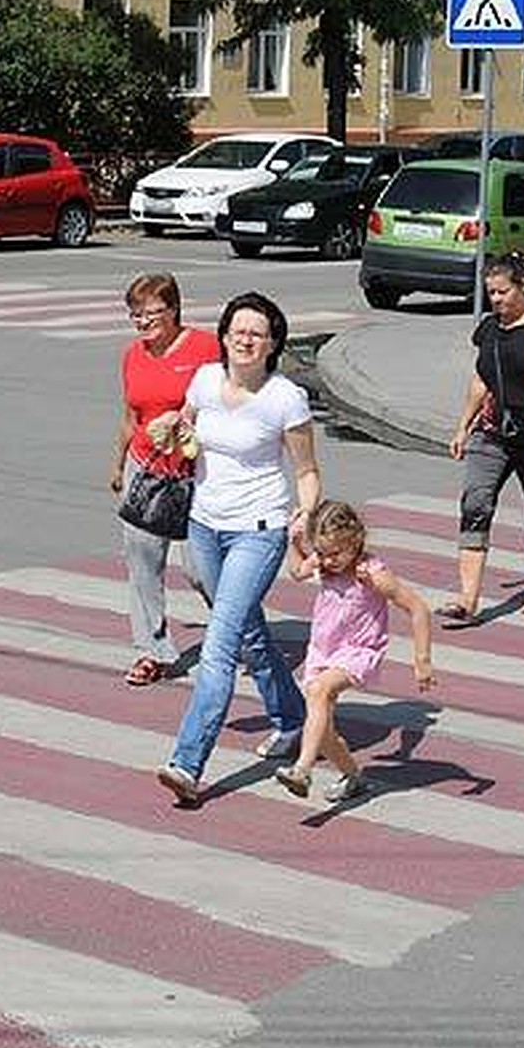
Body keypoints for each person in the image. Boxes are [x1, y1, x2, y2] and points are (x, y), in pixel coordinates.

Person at [154, 291, 322, 805]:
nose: (246, 339)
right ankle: (293, 716)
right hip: (204, 523)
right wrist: (171, 428)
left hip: (259, 529)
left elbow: (306, 471)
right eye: (238, 330)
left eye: (258, 333)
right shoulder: (205, 379)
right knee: (249, 630)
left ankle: (187, 764)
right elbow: (185, 425)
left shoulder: (284, 398)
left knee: (221, 644)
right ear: (224, 335)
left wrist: (305, 514)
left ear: (273, 343)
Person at [442, 251, 524, 626]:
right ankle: (467, 601)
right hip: (492, 434)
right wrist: (462, 426)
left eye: (502, 292)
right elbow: (480, 380)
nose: (496, 300)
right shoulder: (489, 328)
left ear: (523, 287)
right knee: (474, 504)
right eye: (491, 293)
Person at [274, 500, 435, 803]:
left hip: (359, 650)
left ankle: (302, 769)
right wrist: (295, 542)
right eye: (322, 552)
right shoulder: (322, 563)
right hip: (322, 651)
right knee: (322, 731)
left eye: (335, 553)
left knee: (320, 692)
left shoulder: (371, 572)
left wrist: (422, 660)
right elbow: (297, 572)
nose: (328, 560)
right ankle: (353, 776)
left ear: (355, 540)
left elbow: (417, 608)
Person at [110, 274, 220, 686]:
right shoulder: (132, 356)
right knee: (142, 563)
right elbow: (131, 416)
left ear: (174, 310)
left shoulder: (206, 348)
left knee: (201, 567)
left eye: (152, 312)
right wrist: (119, 465)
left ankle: (237, 629)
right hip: (147, 468)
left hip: (197, 472)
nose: (144, 321)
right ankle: (151, 651)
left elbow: (229, 400)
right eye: (136, 314)